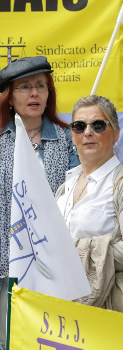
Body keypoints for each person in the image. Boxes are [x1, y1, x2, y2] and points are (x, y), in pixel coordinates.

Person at [0, 56, 79, 350]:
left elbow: (77, 200)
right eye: (24, 87)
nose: (34, 93)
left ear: (49, 94)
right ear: (9, 98)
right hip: (2, 260)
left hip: (52, 260)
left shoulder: (67, 139)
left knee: (46, 343)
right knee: (2, 342)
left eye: (41, 86)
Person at [55, 95, 123, 311]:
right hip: (61, 308)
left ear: (116, 133)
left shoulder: (119, 183)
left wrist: (75, 253)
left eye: (98, 125)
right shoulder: (65, 187)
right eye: (79, 126)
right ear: (72, 135)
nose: (87, 132)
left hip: (105, 311)